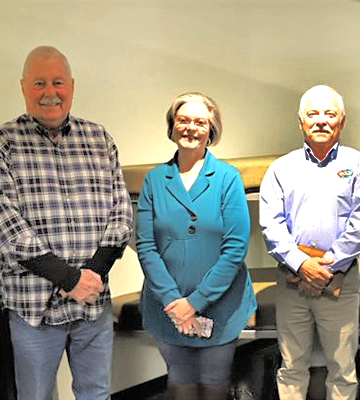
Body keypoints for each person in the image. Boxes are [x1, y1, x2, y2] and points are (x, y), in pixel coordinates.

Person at [0, 46, 132, 400]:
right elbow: (7, 227)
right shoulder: (4, 142)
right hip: (34, 308)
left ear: (72, 86)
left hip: (93, 302)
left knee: (96, 394)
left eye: (58, 82)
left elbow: (122, 212)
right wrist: (69, 278)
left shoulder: (99, 139)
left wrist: (92, 274)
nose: (50, 91)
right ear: (23, 87)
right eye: (39, 82)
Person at [259, 85, 360, 400]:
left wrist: (327, 268)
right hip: (291, 279)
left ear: (342, 120)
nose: (321, 120)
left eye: (330, 113)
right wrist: (302, 265)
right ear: (301, 121)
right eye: (313, 114)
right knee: (291, 366)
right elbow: (271, 225)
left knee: (343, 370)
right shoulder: (281, 169)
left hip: (341, 280)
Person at [136, 92, 257, 400]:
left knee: (215, 381)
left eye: (199, 122)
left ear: (211, 130)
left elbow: (235, 247)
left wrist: (195, 302)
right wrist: (176, 303)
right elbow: (146, 246)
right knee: (180, 380)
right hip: (167, 306)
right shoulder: (154, 181)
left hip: (222, 303)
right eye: (183, 120)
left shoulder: (228, 178)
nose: (191, 128)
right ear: (173, 127)